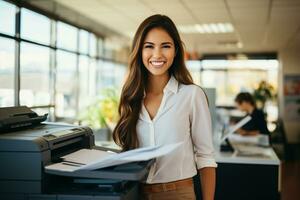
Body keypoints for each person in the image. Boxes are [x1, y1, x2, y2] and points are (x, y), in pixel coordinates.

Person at [112, 14, 217, 200]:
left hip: (178, 193)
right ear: (139, 51)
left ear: (175, 50)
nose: (157, 55)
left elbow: (205, 157)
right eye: (149, 46)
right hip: (133, 193)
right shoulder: (131, 97)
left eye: (165, 46)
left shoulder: (192, 95)